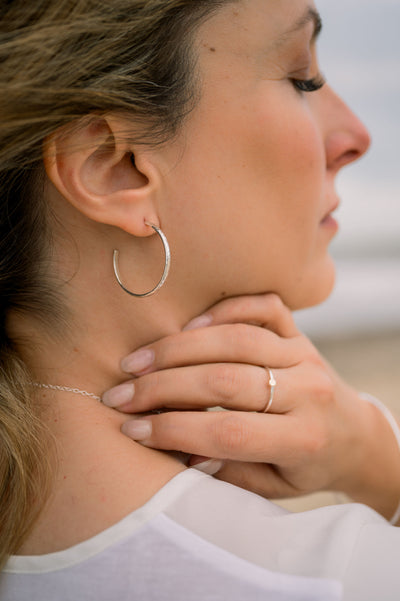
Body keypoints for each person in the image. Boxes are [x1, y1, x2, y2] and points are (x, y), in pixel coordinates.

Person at [1, 1, 400, 600]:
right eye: (302, 78)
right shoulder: (336, 580)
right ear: (117, 169)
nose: (355, 138)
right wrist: (378, 458)